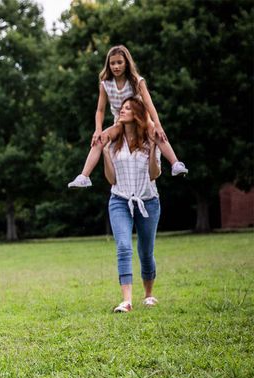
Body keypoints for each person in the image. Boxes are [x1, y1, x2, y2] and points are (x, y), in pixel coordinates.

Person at [68, 45, 187, 188]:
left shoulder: (137, 81)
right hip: (120, 121)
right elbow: (100, 110)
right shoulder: (106, 84)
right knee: (99, 140)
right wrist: (98, 129)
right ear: (108, 65)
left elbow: (149, 104)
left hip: (142, 119)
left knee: (156, 133)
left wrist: (158, 125)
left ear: (126, 63)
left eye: (119, 62)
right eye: (112, 63)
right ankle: (84, 176)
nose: (116, 66)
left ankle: (175, 164)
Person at [98, 96, 162, 313]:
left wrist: (153, 149)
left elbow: (155, 174)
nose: (120, 111)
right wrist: (105, 152)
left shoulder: (149, 139)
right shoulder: (115, 143)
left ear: (136, 113)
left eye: (126, 108)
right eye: (121, 108)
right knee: (124, 246)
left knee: (146, 251)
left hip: (148, 202)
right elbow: (111, 179)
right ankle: (126, 300)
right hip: (119, 200)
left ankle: (149, 294)